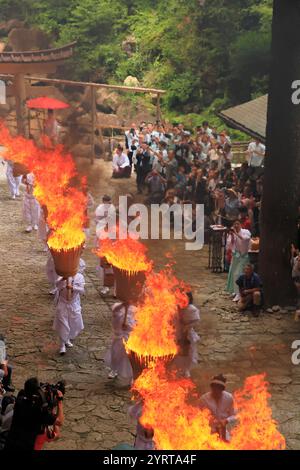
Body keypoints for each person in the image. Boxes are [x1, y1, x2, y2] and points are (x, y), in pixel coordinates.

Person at [5, 377, 63, 451]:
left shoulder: (19, 401)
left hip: (10, 444)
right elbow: (59, 422)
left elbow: (24, 394)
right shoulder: (39, 412)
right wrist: (60, 402)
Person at [53, 259, 85, 355]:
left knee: (74, 322)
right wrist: (63, 279)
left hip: (74, 304)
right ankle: (62, 344)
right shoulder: (61, 277)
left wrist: (72, 288)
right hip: (63, 304)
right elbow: (57, 286)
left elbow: (82, 290)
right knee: (63, 323)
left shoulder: (79, 277)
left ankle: (67, 339)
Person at [104, 301, 136, 383]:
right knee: (115, 355)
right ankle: (114, 370)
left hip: (130, 338)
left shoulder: (135, 309)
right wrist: (123, 305)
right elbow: (115, 311)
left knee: (130, 358)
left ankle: (132, 377)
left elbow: (137, 324)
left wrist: (129, 327)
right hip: (118, 337)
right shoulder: (118, 306)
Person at [199, 374, 236, 442]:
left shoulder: (229, 397)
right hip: (207, 432)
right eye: (214, 387)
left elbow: (234, 415)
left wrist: (226, 420)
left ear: (222, 389)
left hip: (223, 431)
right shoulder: (203, 399)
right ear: (211, 387)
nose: (216, 390)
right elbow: (197, 418)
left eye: (218, 388)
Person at [171, 292, 200, 378]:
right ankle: (177, 370)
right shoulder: (175, 307)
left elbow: (195, 321)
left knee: (188, 353)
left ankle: (185, 370)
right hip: (176, 333)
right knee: (177, 354)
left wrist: (185, 329)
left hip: (186, 335)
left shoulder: (191, 309)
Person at [226, 220, 251, 302]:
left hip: (244, 256)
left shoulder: (246, 232)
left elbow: (245, 239)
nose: (236, 225)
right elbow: (229, 245)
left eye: (238, 223)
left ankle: (239, 294)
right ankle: (235, 291)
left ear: (240, 224)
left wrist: (236, 234)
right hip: (236, 255)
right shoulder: (233, 233)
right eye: (234, 224)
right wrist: (232, 235)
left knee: (238, 273)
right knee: (233, 273)